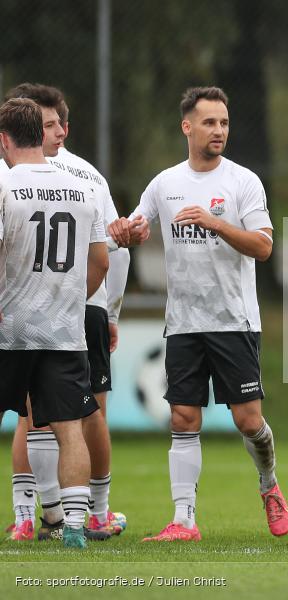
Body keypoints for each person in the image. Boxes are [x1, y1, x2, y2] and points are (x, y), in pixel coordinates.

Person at [107, 86, 288, 542]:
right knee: (183, 419)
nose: (219, 131)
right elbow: (135, 227)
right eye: (210, 122)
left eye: (224, 123)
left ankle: (269, 484)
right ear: (187, 127)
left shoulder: (242, 181)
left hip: (234, 321)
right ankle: (184, 520)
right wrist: (126, 231)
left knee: (248, 421)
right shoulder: (164, 183)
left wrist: (217, 223)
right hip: (184, 322)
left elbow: (264, 246)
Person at [3, 83, 129, 541]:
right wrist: (77, 302)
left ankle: (30, 516)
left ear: (5, 138)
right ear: (44, 130)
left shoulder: (4, 182)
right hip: (65, 325)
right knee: (71, 425)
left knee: (26, 420)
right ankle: (75, 524)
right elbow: (102, 259)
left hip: (11, 324)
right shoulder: (83, 185)